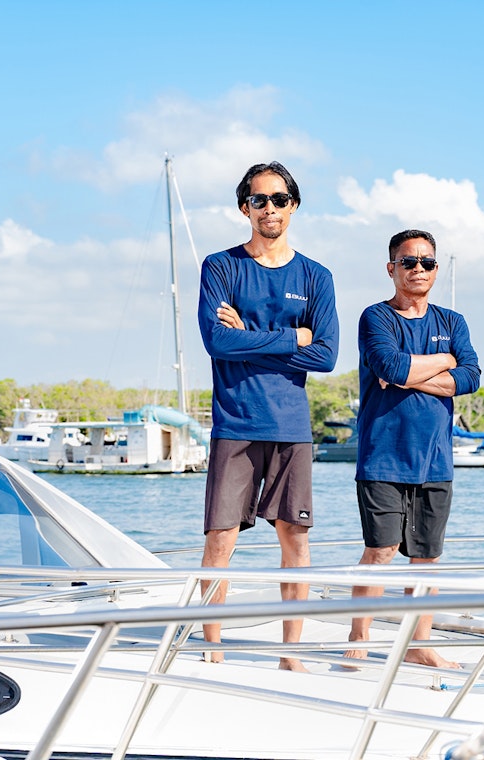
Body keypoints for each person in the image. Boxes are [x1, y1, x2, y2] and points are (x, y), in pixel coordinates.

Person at [197, 161, 339, 671]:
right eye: (259, 200)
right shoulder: (221, 266)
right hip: (235, 422)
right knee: (220, 540)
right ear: (244, 208)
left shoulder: (316, 276)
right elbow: (216, 340)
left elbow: (325, 357)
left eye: (279, 199)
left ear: (293, 205)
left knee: (295, 540)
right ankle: (212, 646)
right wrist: (290, 337)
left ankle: (290, 653)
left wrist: (247, 337)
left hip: (291, 427)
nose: (270, 208)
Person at [345, 229, 480, 668]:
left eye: (427, 262)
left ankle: (419, 644)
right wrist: (444, 363)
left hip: (435, 459)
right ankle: (358, 635)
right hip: (383, 455)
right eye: (409, 262)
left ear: (436, 269)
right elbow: (388, 367)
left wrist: (412, 373)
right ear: (392, 269)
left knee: (427, 558)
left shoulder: (453, 322)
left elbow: (472, 376)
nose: (418, 269)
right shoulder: (376, 317)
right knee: (380, 553)